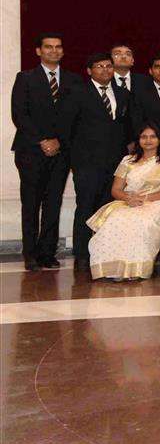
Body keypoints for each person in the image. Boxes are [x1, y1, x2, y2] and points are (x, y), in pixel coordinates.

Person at [10, 33, 76, 271]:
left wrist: (58, 141)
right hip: (31, 150)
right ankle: (30, 255)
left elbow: (74, 117)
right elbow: (19, 114)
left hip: (61, 151)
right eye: (48, 47)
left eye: (58, 47)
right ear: (38, 51)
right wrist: (42, 141)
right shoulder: (25, 78)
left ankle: (47, 252)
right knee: (30, 203)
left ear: (62, 51)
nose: (53, 51)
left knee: (53, 203)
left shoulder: (72, 80)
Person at [86, 124, 160, 281]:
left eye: (152, 137)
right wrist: (129, 198)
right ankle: (113, 268)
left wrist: (146, 198)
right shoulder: (128, 160)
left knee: (141, 221)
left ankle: (135, 268)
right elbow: (116, 190)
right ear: (138, 140)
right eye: (144, 137)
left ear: (159, 140)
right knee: (115, 219)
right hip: (130, 201)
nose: (148, 140)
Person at [64, 52, 131, 268]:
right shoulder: (77, 93)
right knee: (86, 206)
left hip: (115, 163)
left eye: (108, 66)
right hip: (87, 164)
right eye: (100, 66)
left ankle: (105, 250)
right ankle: (83, 254)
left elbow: (125, 126)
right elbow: (67, 129)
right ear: (89, 71)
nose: (105, 70)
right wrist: (75, 161)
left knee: (109, 207)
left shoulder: (122, 93)